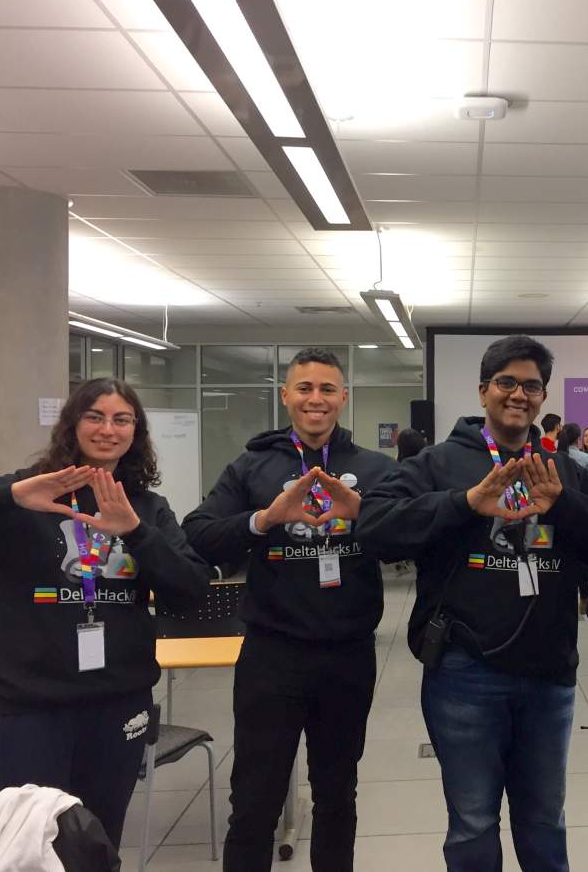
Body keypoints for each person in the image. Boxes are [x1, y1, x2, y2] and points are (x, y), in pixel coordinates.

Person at [354, 335, 588, 872]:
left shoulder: (563, 469)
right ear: (483, 390)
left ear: (543, 397)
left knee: (545, 822)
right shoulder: (438, 463)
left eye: (532, 385)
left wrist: (561, 506)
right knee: (472, 824)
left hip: (550, 673)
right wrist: (466, 502)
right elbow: (375, 527)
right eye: (507, 382)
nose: (519, 394)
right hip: (464, 671)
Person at [0, 378, 210, 847]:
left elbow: (191, 591)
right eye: (95, 416)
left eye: (121, 419)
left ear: (136, 432)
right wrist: (8, 495)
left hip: (118, 704)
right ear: (73, 424)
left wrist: (135, 532)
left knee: (98, 841)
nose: (107, 429)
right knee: (25, 847)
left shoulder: (146, 509)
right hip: (32, 707)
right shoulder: (26, 498)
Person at [181, 347, 397, 872]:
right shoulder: (252, 465)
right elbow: (199, 533)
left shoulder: (374, 468)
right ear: (286, 396)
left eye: (327, 389)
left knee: (337, 796)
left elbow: (408, 542)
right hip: (271, 655)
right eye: (304, 388)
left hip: (346, 656)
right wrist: (264, 519)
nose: (315, 399)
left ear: (344, 398)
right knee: (254, 800)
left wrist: (362, 515)